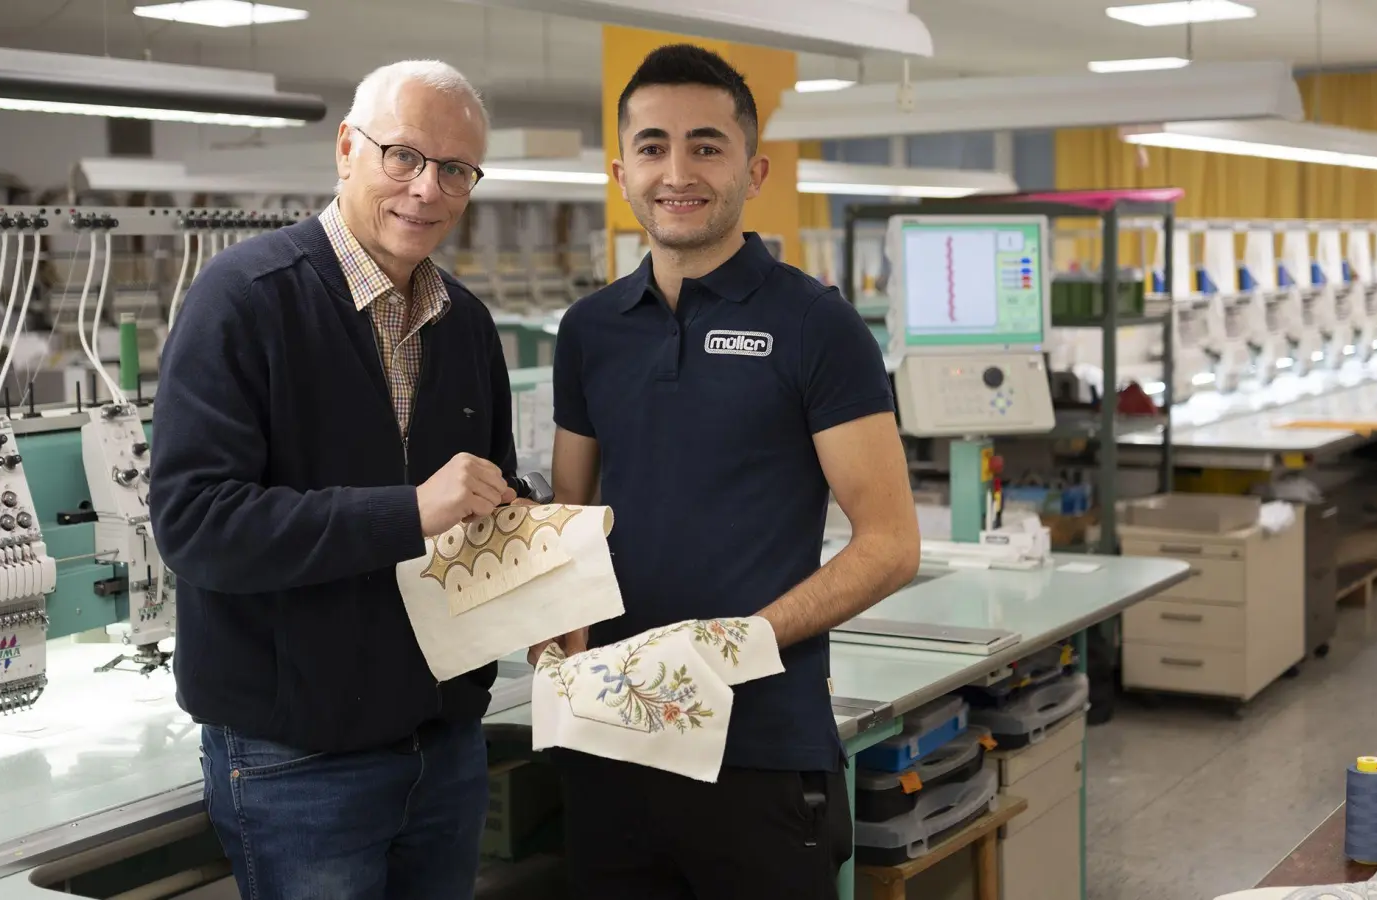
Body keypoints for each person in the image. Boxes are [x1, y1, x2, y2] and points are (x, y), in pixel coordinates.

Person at [532, 44, 922, 899]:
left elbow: (892, 544)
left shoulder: (817, 326)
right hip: (612, 738)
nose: (678, 171)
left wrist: (733, 645)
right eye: (653, 146)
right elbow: (570, 518)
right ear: (621, 170)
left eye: (706, 146)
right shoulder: (590, 331)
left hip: (761, 752)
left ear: (754, 169)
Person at [149, 60, 521, 900]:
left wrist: (532, 539)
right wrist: (409, 512)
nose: (427, 189)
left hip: (447, 741)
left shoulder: (465, 324)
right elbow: (197, 524)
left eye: (456, 170)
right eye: (404, 156)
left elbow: (484, 486)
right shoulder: (243, 302)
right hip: (298, 760)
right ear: (348, 149)